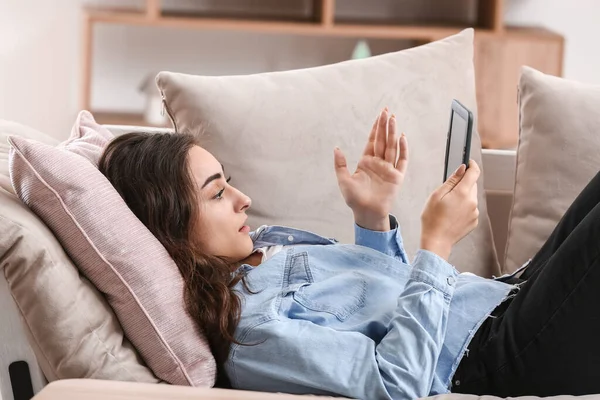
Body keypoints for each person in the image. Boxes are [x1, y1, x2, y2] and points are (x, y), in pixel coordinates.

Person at [99, 108, 600, 399]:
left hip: (502, 300)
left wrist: (372, 220)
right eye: (215, 194)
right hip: (493, 358)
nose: (241, 198)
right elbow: (399, 382)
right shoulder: (252, 333)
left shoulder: (265, 244)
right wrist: (439, 247)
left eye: (228, 181)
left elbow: (383, 308)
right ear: (170, 228)